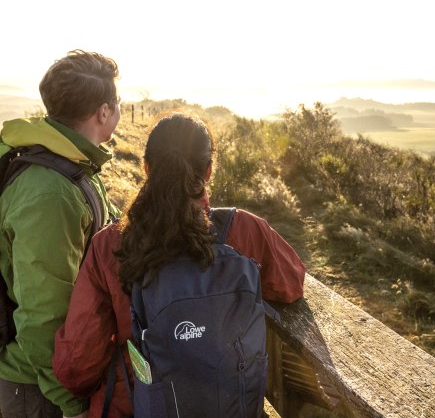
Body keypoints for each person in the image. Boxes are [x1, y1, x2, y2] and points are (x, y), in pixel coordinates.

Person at [53, 113, 306, 418]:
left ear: (146, 168)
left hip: (133, 406)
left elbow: (77, 366)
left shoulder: (111, 244)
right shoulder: (244, 230)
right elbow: (291, 283)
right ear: (209, 171)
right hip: (229, 406)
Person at [0, 50, 121, 418]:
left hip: (49, 378)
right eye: (118, 102)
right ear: (103, 112)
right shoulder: (50, 193)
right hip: (36, 389)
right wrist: (72, 405)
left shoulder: (71, 164)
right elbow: (42, 318)